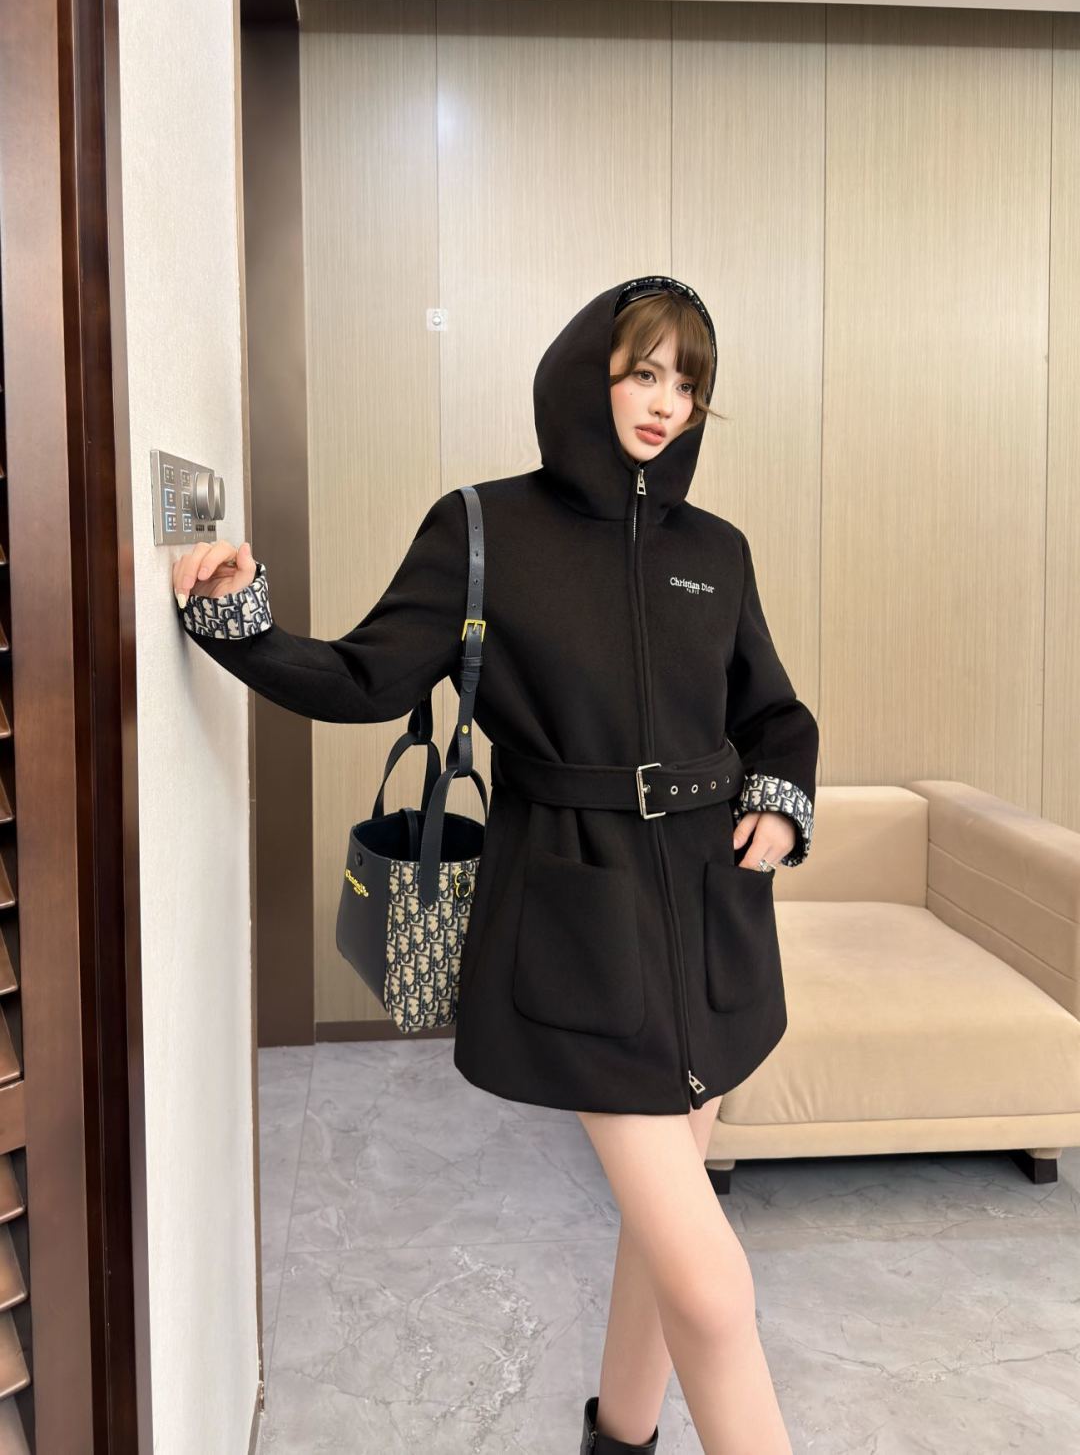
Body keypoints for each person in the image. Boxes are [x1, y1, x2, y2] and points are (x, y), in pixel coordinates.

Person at [172, 275, 818, 1455]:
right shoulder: (483, 529)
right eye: (643, 372)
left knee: (666, 1239)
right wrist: (240, 624)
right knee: (717, 1287)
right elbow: (368, 677)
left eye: (688, 383)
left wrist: (780, 802)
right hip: (580, 926)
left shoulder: (716, 552)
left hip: (713, 923)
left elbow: (772, 713)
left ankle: (619, 1437)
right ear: (586, 374)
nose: (665, 403)